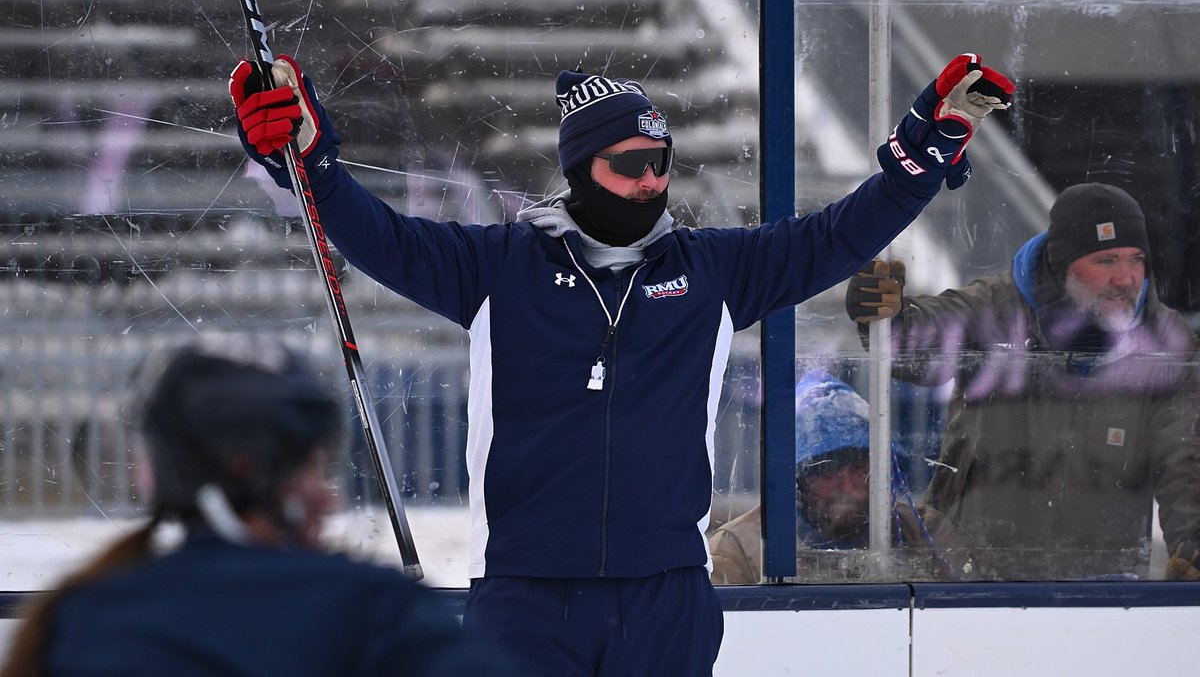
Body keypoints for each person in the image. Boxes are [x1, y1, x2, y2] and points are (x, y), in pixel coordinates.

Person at [226, 51, 1012, 675]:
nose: (651, 182)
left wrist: (919, 159)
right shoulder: (498, 267)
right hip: (527, 598)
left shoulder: (711, 272)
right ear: (579, 169)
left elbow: (833, 238)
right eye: (629, 164)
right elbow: (381, 237)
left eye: (661, 162)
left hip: (665, 597)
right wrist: (311, 162)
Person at [0, 336, 520, 677]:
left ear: (153, 470)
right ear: (254, 470)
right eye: (312, 469)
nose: (329, 495)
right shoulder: (371, 608)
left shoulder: (84, 619)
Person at [845, 182, 1200, 581]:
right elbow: (923, 342)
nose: (1126, 278)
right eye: (1106, 261)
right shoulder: (996, 309)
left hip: (1103, 585)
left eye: (1136, 260)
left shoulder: (1167, 342)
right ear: (1062, 263)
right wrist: (890, 316)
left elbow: (1184, 460)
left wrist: (1193, 548)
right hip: (971, 579)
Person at [709, 370, 969, 584]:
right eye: (825, 469)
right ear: (798, 479)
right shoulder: (738, 549)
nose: (845, 486)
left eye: (858, 468)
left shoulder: (924, 533)